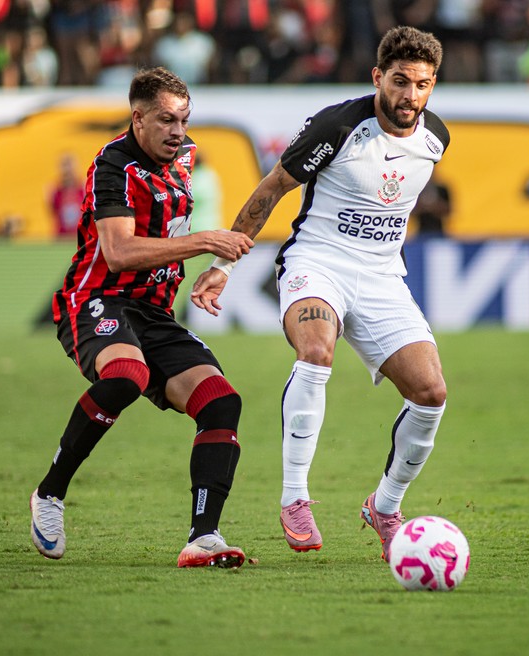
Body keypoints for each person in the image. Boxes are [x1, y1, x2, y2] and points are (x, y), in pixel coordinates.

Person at [191, 26, 450, 561]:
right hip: (317, 264)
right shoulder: (337, 125)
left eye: (422, 84)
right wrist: (223, 266)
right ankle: (294, 497)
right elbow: (270, 191)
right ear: (378, 77)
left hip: (381, 277)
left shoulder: (435, 139)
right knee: (316, 352)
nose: (410, 96)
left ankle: (385, 506)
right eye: (400, 82)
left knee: (431, 393)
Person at [29, 67, 255, 568]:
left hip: (153, 310)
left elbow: (167, 229)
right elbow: (118, 252)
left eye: (184, 119)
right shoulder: (112, 165)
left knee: (221, 402)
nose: (178, 131)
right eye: (166, 120)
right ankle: (50, 494)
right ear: (138, 118)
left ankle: (204, 538)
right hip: (96, 298)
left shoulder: (187, 156)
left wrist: (205, 270)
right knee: (128, 374)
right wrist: (203, 242)